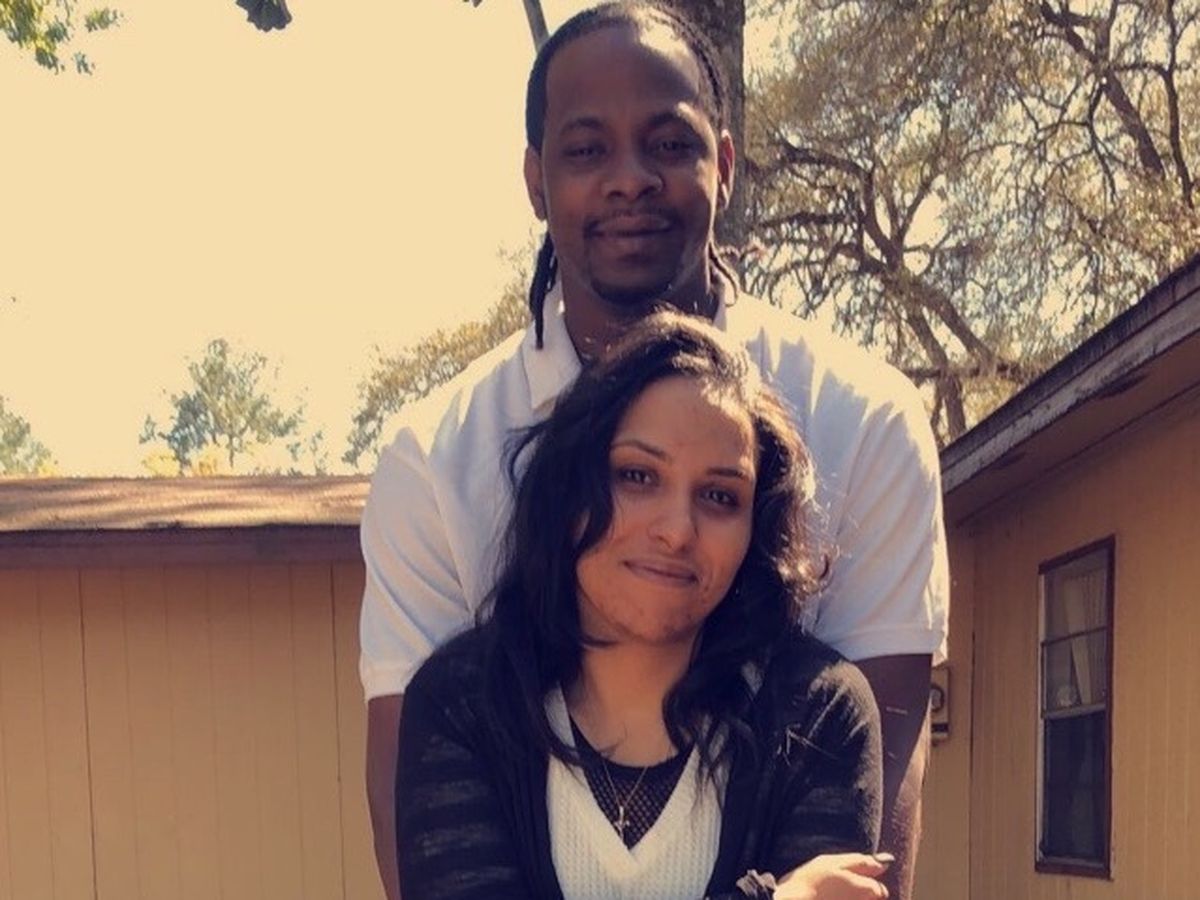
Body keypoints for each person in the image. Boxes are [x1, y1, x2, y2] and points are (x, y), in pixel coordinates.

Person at [361, 4, 948, 898]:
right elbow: (424, 830)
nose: (630, 179)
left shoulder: (865, 420)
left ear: (724, 165)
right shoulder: (433, 462)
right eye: (586, 149)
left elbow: (868, 825)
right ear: (535, 180)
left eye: (669, 144)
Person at [396, 312, 889, 899]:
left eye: (719, 496)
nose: (677, 531)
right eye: (637, 476)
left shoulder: (819, 715)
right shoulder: (461, 706)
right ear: (569, 490)